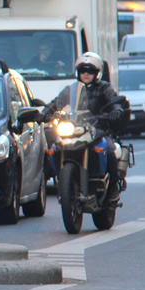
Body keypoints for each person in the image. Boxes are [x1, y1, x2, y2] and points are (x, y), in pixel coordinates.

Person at [40, 51, 126, 201]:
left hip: (98, 129)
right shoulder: (70, 89)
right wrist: (44, 113)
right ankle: (60, 180)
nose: (86, 74)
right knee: (54, 148)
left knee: (109, 148)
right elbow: (55, 102)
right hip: (76, 128)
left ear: (97, 73)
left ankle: (113, 187)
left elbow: (114, 100)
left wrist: (116, 110)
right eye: (82, 70)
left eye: (90, 71)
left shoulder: (104, 88)